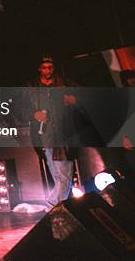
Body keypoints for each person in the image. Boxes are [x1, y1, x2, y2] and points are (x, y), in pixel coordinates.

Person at [22, 56, 79, 210]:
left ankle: (53, 206)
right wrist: (34, 114)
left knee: (64, 176)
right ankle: (55, 206)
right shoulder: (31, 86)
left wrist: (75, 99)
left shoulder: (66, 84)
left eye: (50, 67)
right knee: (57, 176)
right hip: (44, 137)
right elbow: (20, 107)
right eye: (45, 67)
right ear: (39, 68)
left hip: (63, 136)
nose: (48, 70)